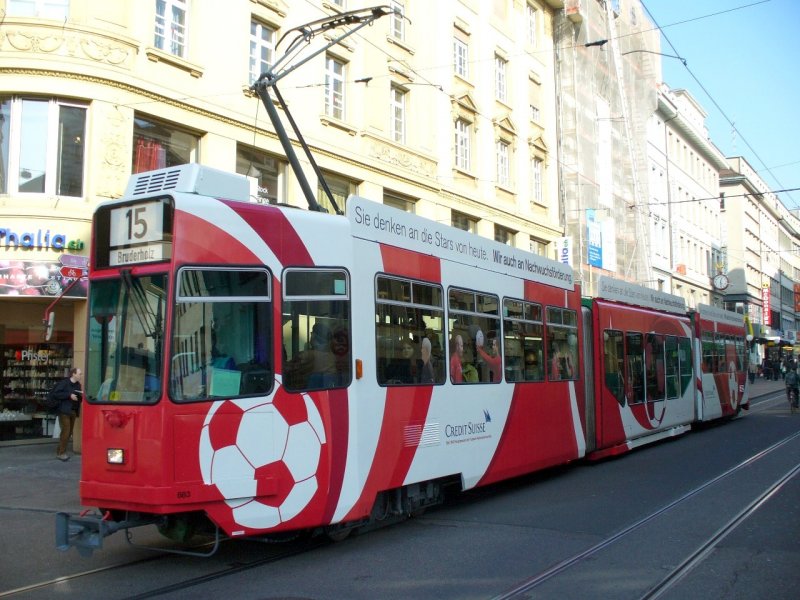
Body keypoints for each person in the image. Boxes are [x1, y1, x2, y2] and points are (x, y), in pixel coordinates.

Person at [52, 367, 82, 461]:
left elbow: (78, 397)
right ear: (73, 374)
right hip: (64, 410)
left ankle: (60, 451)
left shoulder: (77, 385)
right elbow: (56, 394)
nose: (80, 376)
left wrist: (80, 396)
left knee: (68, 432)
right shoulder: (64, 383)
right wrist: (69, 396)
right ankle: (61, 453)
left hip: (73, 410)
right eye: (79, 374)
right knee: (66, 431)